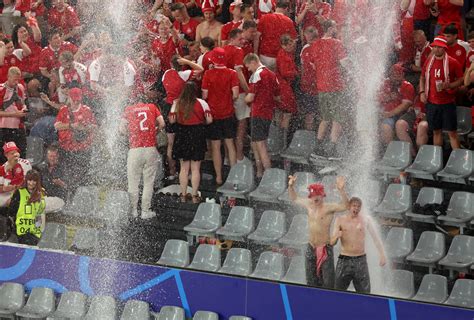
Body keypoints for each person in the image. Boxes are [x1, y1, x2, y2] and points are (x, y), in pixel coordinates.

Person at [288, 175, 349, 289]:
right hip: (311, 247)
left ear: (322, 195)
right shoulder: (308, 204)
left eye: (317, 195)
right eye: (313, 196)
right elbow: (294, 198)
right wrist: (291, 186)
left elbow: (346, 206)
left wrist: (342, 190)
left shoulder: (328, 207)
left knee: (328, 283)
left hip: (325, 248)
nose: (315, 198)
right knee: (311, 282)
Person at [309, 20, 348, 158]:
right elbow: (345, 64)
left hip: (322, 87)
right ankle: (333, 150)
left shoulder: (315, 45)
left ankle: (317, 149)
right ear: (331, 29)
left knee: (325, 118)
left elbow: (313, 65)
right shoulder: (337, 43)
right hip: (335, 86)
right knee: (337, 119)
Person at [330, 197, 386, 294]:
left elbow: (376, 239)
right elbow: (332, 242)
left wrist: (382, 255)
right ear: (349, 207)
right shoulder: (339, 219)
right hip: (344, 260)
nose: (356, 209)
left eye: (358, 207)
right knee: (337, 291)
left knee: (365, 293)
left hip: (360, 260)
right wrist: (336, 237)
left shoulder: (365, 220)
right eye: (354, 206)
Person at [169, 82, 213, 203]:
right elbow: (209, 120)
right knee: (195, 168)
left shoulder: (177, 102)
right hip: (197, 134)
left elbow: (172, 120)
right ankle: (194, 195)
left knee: (183, 168)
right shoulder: (202, 103)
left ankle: (183, 195)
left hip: (182, 134)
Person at [121, 100, 165, 219]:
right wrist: (155, 132)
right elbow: (162, 123)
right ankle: (145, 211)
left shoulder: (128, 109)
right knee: (148, 183)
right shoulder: (152, 106)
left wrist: (129, 136)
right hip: (150, 148)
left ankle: (133, 210)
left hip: (135, 149)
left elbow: (121, 129)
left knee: (133, 182)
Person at [202, 47, 239, 185]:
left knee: (215, 147)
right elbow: (235, 94)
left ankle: (218, 177)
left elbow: (204, 95)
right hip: (228, 113)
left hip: (213, 115)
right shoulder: (232, 73)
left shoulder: (208, 74)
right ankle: (234, 177)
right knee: (230, 144)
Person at [420, 35, 464, 149]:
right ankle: (437, 160)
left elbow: (461, 79)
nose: (436, 49)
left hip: (447, 103)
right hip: (432, 103)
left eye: (439, 47)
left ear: (444, 48)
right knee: (436, 132)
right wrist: (422, 92)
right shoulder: (429, 61)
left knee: (452, 133)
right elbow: (422, 77)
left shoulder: (452, 62)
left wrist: (450, 85)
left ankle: (458, 161)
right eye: (435, 47)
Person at [244, 53, 280, 177]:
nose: (248, 69)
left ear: (254, 62)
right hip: (268, 113)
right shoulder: (272, 74)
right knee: (260, 143)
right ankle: (260, 172)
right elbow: (277, 95)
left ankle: (267, 174)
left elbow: (250, 97)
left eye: (248, 66)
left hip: (258, 112)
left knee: (260, 145)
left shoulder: (257, 75)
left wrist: (245, 100)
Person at [54, 87, 97, 190]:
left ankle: (81, 196)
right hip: (66, 149)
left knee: (82, 176)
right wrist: (72, 126)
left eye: (78, 99)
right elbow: (56, 126)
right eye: (74, 99)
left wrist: (84, 127)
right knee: (67, 176)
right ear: (69, 97)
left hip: (83, 149)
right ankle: (69, 195)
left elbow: (95, 127)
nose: (76, 101)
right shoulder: (64, 110)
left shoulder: (86, 110)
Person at [378, 63, 415, 146]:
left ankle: (411, 154)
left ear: (402, 75)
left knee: (386, 126)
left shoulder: (407, 86)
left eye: (398, 74)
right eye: (394, 74)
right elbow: (377, 98)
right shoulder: (385, 83)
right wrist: (387, 97)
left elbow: (405, 105)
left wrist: (390, 114)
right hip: (385, 112)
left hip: (401, 114)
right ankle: (390, 151)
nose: (396, 77)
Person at [6, 169, 45, 245]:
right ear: (26, 180)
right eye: (29, 180)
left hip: (34, 234)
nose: (31, 183)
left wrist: (38, 231)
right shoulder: (19, 192)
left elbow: (39, 214)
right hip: (20, 232)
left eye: (34, 181)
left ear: (37, 182)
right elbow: (11, 213)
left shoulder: (41, 194)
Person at [257, 0, 297, 70]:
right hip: (280, 56)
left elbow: (257, 37)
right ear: (286, 9)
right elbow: (293, 41)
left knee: (264, 78)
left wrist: (255, 52)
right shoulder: (288, 21)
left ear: (275, 6)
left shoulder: (264, 18)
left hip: (265, 55)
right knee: (278, 80)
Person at [0, 67, 28, 160]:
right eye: (14, 79)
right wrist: (15, 114)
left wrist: (24, 110)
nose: (16, 82)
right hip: (4, 128)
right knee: (4, 157)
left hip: (19, 127)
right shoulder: (1, 89)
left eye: (18, 79)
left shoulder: (20, 87)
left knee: (21, 155)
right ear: (8, 77)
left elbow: (23, 103)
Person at [275, 34, 297, 148]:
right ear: (283, 45)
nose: (291, 47)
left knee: (281, 113)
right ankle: (282, 143)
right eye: (288, 45)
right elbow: (284, 72)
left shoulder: (285, 53)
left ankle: (279, 142)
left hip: (283, 85)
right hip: (284, 86)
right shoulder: (283, 55)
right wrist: (296, 72)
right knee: (287, 112)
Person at [0, 142, 32, 207]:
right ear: (6, 155)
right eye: (12, 153)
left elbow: (29, 183)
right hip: (6, 195)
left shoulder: (26, 163)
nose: (15, 155)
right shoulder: (3, 168)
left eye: (16, 152)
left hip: (22, 193)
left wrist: (14, 190)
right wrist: (4, 189)